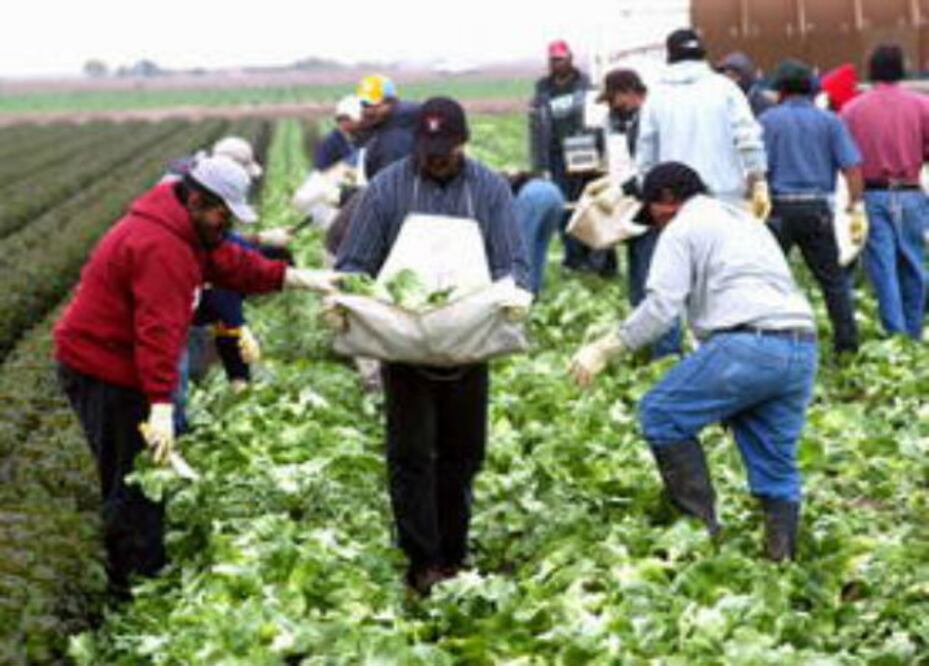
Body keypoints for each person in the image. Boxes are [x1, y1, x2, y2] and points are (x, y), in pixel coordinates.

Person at [54, 156, 340, 595]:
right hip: (102, 369)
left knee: (147, 472)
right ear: (196, 199)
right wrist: (162, 405)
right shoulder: (161, 246)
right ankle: (135, 585)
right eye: (222, 213)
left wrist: (296, 277)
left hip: (121, 362)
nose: (225, 224)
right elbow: (159, 332)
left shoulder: (189, 230)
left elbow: (234, 265)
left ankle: (142, 566)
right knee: (133, 476)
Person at [569, 162, 818, 562]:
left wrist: (607, 347)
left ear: (666, 201)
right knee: (775, 459)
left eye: (650, 207)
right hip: (801, 345)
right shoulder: (745, 221)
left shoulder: (682, 227)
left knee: (661, 413)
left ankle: (699, 534)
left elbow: (662, 307)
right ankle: (781, 559)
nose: (650, 217)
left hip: (747, 344)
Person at [336, 97, 531, 595]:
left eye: (446, 149)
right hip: (405, 340)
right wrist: (351, 299)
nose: (436, 157)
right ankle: (422, 559)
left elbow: (513, 262)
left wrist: (513, 297)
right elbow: (354, 263)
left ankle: (454, 551)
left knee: (463, 453)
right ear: (417, 143)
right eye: (429, 148)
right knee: (410, 454)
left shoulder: (488, 189)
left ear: (463, 143)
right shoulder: (386, 189)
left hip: (468, 339)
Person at [761, 59, 865, 355]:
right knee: (833, 282)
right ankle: (847, 346)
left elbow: (756, 170)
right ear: (811, 89)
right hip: (817, 209)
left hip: (778, 210)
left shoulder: (768, 121)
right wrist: (854, 207)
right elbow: (852, 168)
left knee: (767, 279)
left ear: (780, 90)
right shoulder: (830, 121)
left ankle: (770, 342)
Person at [841, 44, 929, 340]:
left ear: (872, 69)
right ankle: (914, 333)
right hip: (911, 192)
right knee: (914, 264)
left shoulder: (852, 109)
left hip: (873, 195)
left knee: (883, 267)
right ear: (902, 69)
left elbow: (846, 159)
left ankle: (895, 333)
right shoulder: (921, 105)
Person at [637, 29, 770, 217]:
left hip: (675, 198)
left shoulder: (656, 97)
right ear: (702, 54)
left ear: (670, 56)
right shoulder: (726, 89)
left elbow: (646, 150)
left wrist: (647, 188)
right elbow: (748, 139)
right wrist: (758, 179)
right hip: (725, 196)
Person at [600, 68, 681, 357]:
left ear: (627, 92)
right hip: (637, 213)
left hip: (656, 213)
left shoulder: (654, 115)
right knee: (638, 285)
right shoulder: (626, 121)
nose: (612, 107)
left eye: (613, 100)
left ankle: (667, 355)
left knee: (657, 287)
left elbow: (653, 170)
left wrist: (626, 188)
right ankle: (646, 348)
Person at [529, 39, 616, 276]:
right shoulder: (542, 91)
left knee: (588, 205)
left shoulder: (585, 86)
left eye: (561, 59)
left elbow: (599, 122)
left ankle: (598, 260)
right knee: (563, 208)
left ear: (570, 59)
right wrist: (539, 164)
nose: (557, 64)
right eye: (553, 60)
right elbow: (536, 130)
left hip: (582, 149)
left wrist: (603, 156)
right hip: (555, 155)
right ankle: (574, 258)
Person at [508, 171, 564, 295]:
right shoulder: (522, 179)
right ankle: (534, 289)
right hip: (557, 194)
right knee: (540, 245)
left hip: (534, 196)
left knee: (522, 245)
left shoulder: (505, 190)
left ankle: (520, 289)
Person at [356, 74, 420, 179]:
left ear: (391, 102)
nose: (367, 110)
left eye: (372, 105)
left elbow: (390, 188)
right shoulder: (382, 129)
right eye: (364, 104)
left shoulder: (395, 140)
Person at [717, 51, 775, 117]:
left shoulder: (765, 107)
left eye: (732, 76)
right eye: (722, 75)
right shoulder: (719, 102)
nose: (725, 81)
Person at [314, 95, 364, 171]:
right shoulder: (329, 143)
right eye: (358, 119)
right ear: (344, 119)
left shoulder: (360, 138)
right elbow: (322, 171)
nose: (361, 122)